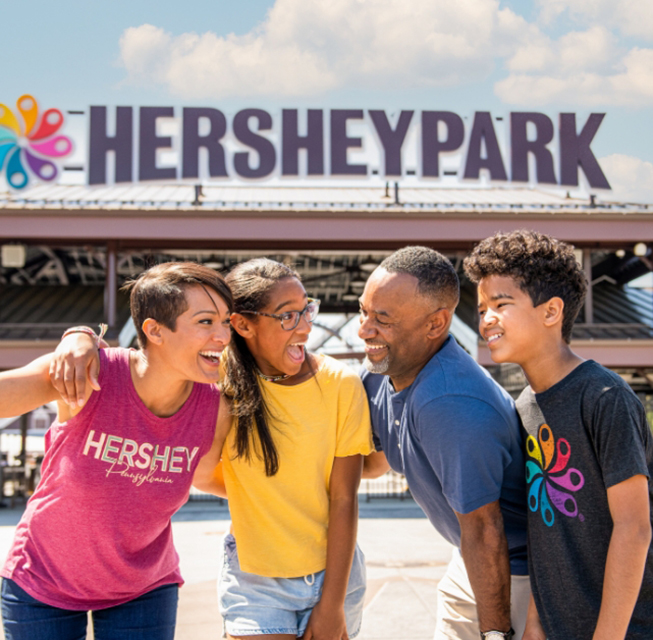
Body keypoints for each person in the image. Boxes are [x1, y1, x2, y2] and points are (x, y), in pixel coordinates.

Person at [50, 257, 375, 640]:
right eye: (288, 316)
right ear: (242, 324)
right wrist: (81, 335)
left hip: (335, 575)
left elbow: (344, 499)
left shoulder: (341, 383)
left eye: (307, 309)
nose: (305, 326)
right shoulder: (215, 384)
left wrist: (332, 605)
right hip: (255, 579)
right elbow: (151, 373)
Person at [0, 262, 234, 640]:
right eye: (206, 321)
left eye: (226, 321)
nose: (223, 335)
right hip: (43, 579)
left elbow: (207, 476)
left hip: (142, 588)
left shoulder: (215, 407)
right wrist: (78, 335)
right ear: (155, 330)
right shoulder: (90, 372)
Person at [464, 229, 653, 640]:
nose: (485, 319)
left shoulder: (606, 398)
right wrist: (535, 622)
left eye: (501, 304)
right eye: (481, 308)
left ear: (551, 312)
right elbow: (545, 530)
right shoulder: (525, 406)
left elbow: (635, 529)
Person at [359, 246, 529, 640]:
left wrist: (494, 633)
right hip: (466, 558)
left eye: (382, 319)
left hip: (514, 573)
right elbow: (373, 464)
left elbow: (485, 528)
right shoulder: (381, 374)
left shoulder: (449, 402)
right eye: (364, 311)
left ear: (436, 324)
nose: (365, 329)